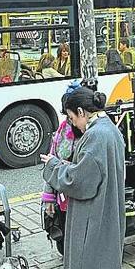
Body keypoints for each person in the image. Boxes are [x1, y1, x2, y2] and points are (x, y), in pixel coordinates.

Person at [41, 87, 125, 269]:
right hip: (108, 210)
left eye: (71, 118)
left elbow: (79, 182)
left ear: (81, 112)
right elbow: (94, 171)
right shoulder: (111, 129)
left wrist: (53, 165)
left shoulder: (95, 135)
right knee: (105, 266)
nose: (72, 124)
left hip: (92, 217)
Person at [41, 81, 82, 254]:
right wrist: (49, 197)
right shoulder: (63, 129)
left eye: (70, 115)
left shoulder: (93, 134)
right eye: (66, 115)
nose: (68, 120)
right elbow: (52, 159)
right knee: (66, 245)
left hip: (82, 199)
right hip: (64, 197)